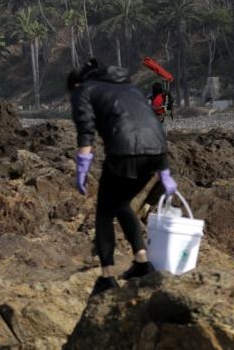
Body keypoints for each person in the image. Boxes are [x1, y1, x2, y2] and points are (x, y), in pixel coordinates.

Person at [69, 58, 178, 296]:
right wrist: (165, 170)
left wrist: (82, 169)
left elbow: (86, 131)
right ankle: (141, 262)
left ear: (77, 83)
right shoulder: (131, 88)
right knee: (120, 204)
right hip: (157, 152)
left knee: (104, 212)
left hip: (124, 151)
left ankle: (107, 277)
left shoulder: (83, 90)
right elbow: (153, 124)